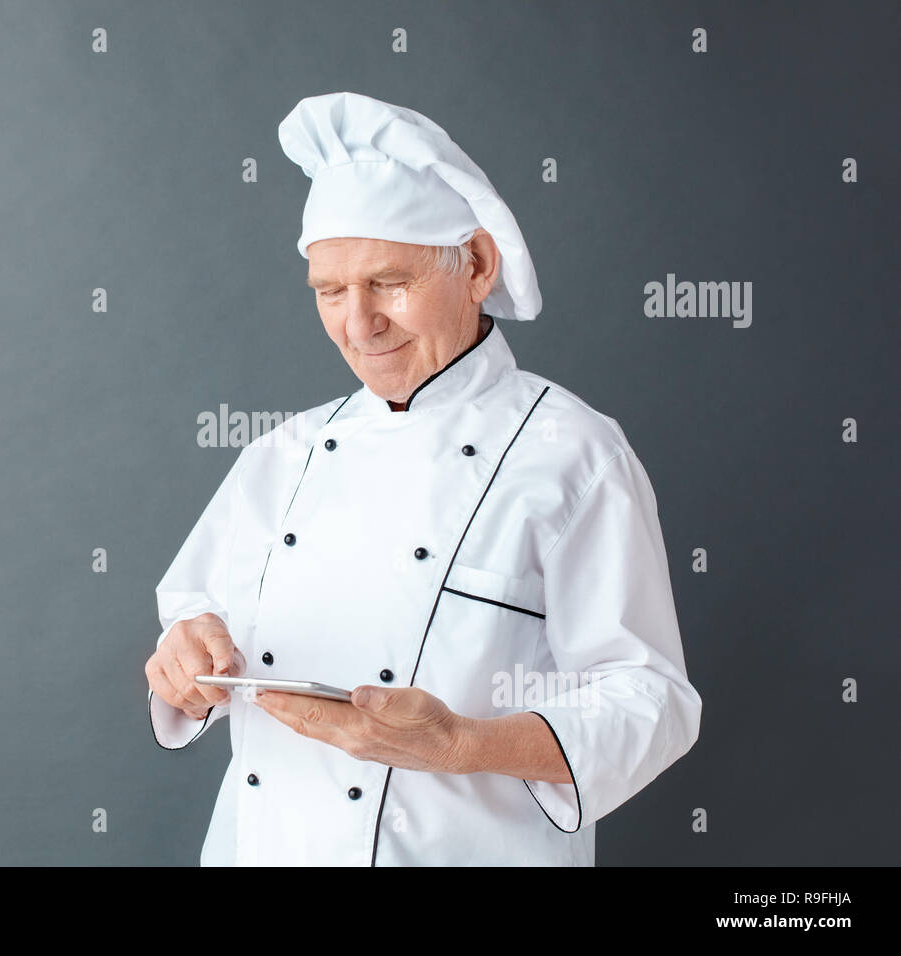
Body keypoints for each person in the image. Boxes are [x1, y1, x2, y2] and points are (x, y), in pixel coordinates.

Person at [143, 91, 702, 866]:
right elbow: (194, 626)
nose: (358, 323)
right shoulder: (280, 454)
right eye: (329, 291)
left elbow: (651, 700)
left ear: (475, 265)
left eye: (388, 282)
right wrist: (184, 660)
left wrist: (461, 743)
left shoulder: (573, 451)